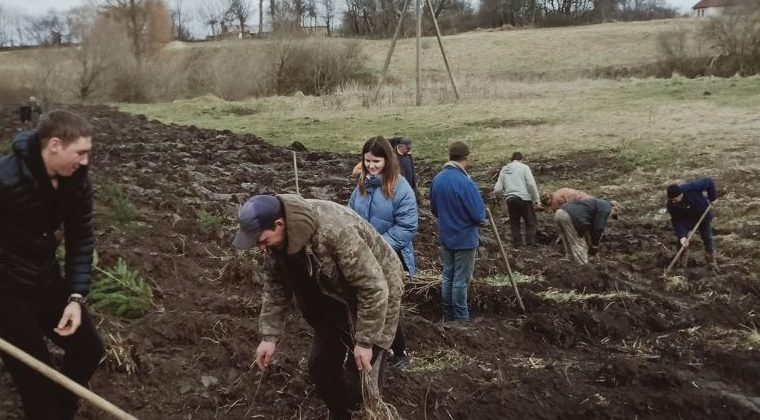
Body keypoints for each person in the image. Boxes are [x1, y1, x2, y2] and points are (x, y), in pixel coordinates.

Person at [233, 193, 403, 420]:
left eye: (262, 240)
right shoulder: (276, 245)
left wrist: (365, 341)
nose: (261, 248)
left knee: (361, 376)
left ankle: (364, 411)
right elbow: (276, 287)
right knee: (321, 366)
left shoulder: (334, 232)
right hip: (332, 300)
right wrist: (269, 336)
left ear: (279, 224)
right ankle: (341, 413)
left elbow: (373, 287)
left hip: (377, 293)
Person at [0, 110, 104, 420]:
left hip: (45, 280)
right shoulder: (6, 179)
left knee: (88, 350)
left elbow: (81, 240)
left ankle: (60, 412)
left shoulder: (78, 183)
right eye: (80, 152)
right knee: (36, 382)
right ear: (55, 145)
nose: (85, 161)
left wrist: (74, 298)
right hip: (5, 292)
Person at [349, 136, 417, 369]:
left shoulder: (401, 187)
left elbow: (407, 226)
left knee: (387, 304)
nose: (371, 166)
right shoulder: (361, 185)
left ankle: (400, 352)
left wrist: (379, 247)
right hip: (362, 254)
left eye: (376, 161)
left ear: (387, 160)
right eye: (367, 160)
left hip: (389, 254)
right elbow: (350, 216)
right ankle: (364, 348)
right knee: (363, 302)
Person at [430, 141, 486, 322]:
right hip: (465, 238)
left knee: (448, 277)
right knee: (461, 281)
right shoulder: (464, 182)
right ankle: (462, 318)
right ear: (465, 158)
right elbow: (478, 214)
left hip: (446, 236)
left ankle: (448, 316)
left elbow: (434, 209)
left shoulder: (437, 179)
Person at [666, 177, 717, 269]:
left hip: (702, 215)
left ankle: (711, 262)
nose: (673, 202)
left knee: (707, 238)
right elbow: (676, 220)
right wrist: (682, 236)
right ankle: (681, 264)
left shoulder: (691, 188)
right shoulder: (671, 205)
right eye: (671, 200)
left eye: (675, 199)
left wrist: (712, 197)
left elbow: (709, 181)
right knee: (681, 242)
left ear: (680, 195)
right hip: (687, 219)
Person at [493, 152, 541, 248]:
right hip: (524, 198)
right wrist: (536, 199)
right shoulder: (524, 167)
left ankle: (517, 244)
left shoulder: (504, 169)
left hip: (510, 199)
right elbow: (531, 184)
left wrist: (501, 196)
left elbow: (497, 189)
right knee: (530, 221)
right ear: (521, 159)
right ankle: (530, 244)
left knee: (514, 223)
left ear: (511, 159)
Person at [554, 198, 622, 265]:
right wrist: (595, 246)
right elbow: (598, 228)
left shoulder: (599, 204)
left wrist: (592, 244)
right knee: (579, 244)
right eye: (613, 215)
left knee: (568, 242)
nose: (610, 217)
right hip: (571, 217)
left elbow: (591, 227)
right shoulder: (606, 209)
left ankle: (570, 263)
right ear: (615, 209)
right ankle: (584, 268)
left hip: (560, 212)